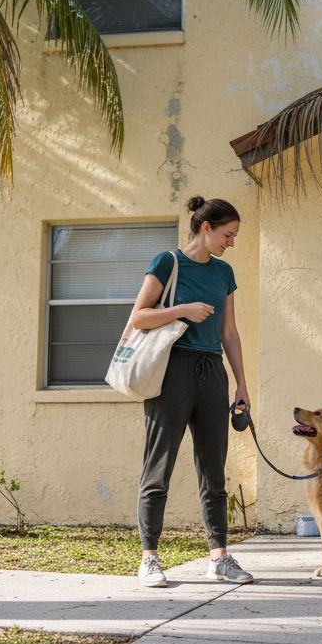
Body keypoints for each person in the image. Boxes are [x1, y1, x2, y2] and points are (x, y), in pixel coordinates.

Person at [130, 196, 253, 587]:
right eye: (227, 235)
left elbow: (229, 332)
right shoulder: (168, 262)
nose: (230, 242)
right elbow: (138, 316)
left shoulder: (224, 273)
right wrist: (183, 310)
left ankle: (219, 556)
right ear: (205, 228)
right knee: (159, 465)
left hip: (212, 371)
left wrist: (241, 384)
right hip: (172, 370)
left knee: (214, 469)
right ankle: (149, 557)